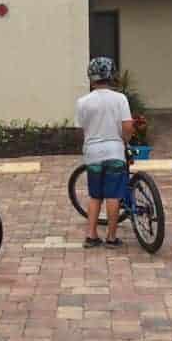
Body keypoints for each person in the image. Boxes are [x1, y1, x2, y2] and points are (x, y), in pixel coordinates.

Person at [75, 57, 134, 248]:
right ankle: (111, 237)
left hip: (93, 153)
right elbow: (127, 126)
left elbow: (81, 128)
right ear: (111, 76)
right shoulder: (120, 99)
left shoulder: (83, 102)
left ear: (91, 78)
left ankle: (91, 236)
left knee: (95, 196)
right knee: (113, 196)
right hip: (114, 152)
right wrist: (125, 140)